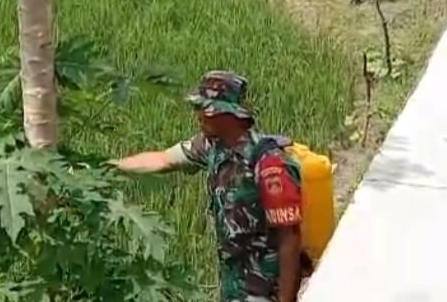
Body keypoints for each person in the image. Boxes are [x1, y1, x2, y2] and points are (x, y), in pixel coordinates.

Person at [110, 71, 305, 302]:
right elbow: (164, 160)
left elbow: (290, 239)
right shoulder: (212, 147)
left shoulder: (269, 163)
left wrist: (286, 300)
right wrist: (108, 166)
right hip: (234, 283)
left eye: (206, 109)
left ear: (230, 114)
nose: (199, 116)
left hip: (264, 287)